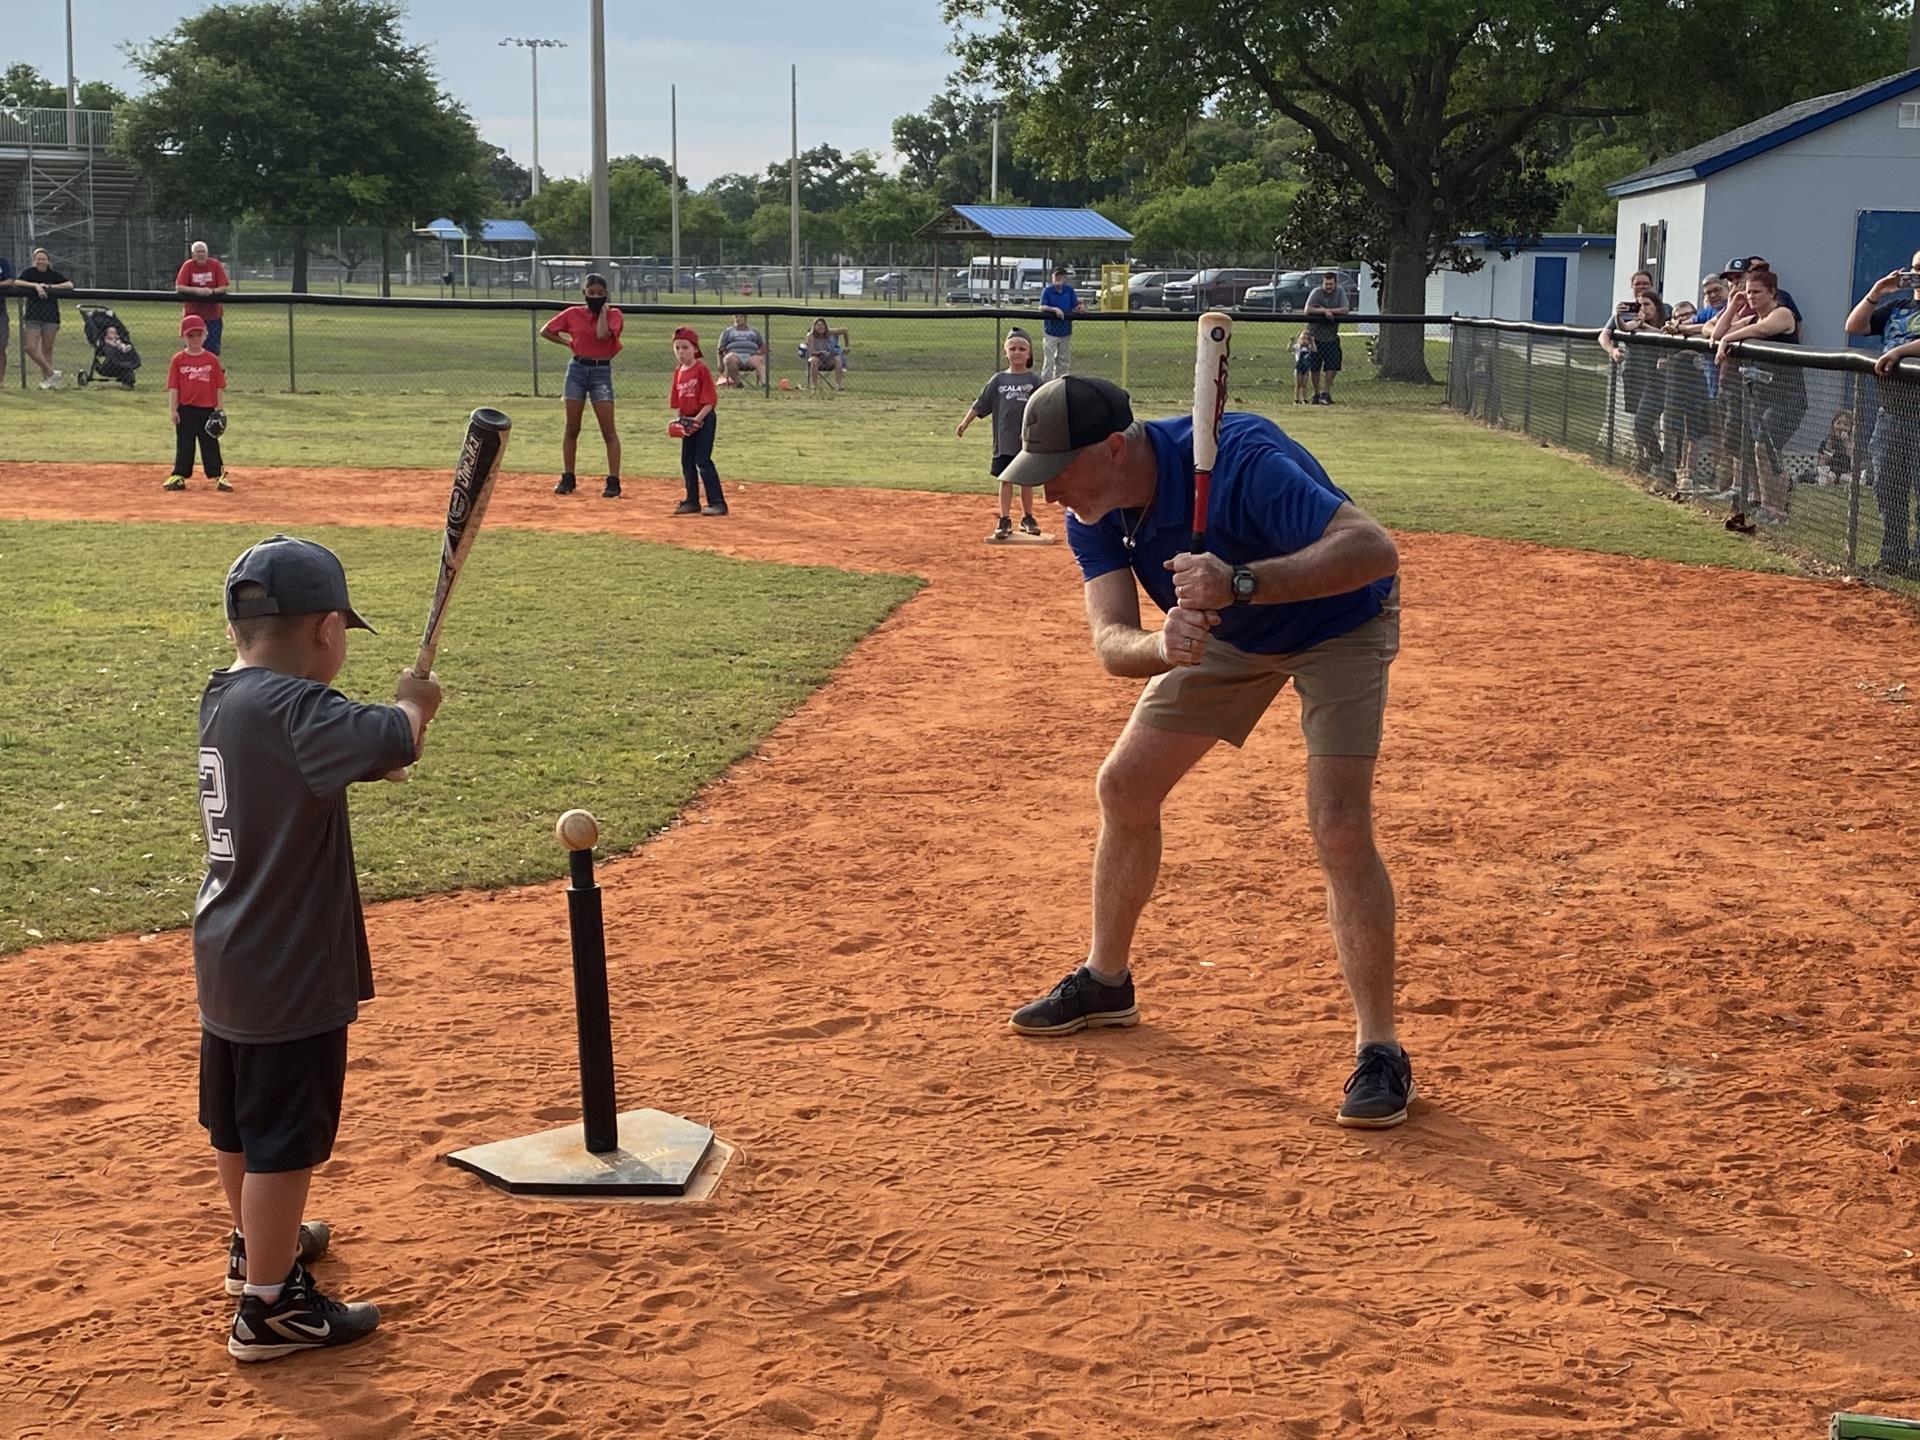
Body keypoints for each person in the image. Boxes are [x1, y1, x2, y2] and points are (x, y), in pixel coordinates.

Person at [998, 375, 1413, 1128]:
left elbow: (1374, 550)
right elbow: (1110, 640)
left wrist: (1242, 581)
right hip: (1227, 636)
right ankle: (1106, 980)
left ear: (1114, 448)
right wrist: (1162, 643)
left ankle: (1379, 1048)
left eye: (1058, 471)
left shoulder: (1239, 457)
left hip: (1339, 624)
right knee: (1124, 787)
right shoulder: (1097, 514)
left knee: (1340, 827)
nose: (1050, 494)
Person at [194, 534, 441, 1360]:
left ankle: (255, 1248)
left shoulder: (225, 696)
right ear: (328, 631)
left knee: (239, 1124)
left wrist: (373, 748)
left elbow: (318, 761)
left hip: (230, 954)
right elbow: (391, 736)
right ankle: (271, 1308)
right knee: (282, 1140)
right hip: (290, 967)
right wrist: (415, 703)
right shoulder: (301, 710)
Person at [1844, 251, 1920, 577]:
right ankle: (1894, 556)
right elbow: (1854, 325)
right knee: (1888, 487)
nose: (1918, 274)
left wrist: (1899, 351)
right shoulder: (1897, 308)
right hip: (1891, 412)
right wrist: (1877, 292)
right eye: (1916, 269)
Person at [1711, 266, 1802, 526]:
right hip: (1761, 396)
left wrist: (1728, 340)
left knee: (1766, 446)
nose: (1751, 297)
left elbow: (1762, 331)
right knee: (1758, 448)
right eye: (1748, 292)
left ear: (1772, 292)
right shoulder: (1751, 319)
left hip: (1788, 397)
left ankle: (1777, 509)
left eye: (1757, 292)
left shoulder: (1783, 313)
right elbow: (1716, 333)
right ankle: (1766, 505)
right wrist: (1733, 305)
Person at [541, 272, 623, 498]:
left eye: (600, 293)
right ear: (584, 293)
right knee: (572, 427)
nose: (595, 297)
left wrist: (603, 312)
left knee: (608, 430)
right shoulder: (574, 313)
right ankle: (568, 476)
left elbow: (602, 334)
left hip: (601, 370)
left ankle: (613, 480)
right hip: (577, 369)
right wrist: (567, 342)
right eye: (591, 293)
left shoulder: (614, 315)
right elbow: (546, 331)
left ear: (607, 295)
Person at [956, 326, 1041, 538]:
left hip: (1027, 442)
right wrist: (965, 423)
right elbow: (980, 403)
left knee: (1026, 480)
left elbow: (1044, 408)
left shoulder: (1034, 381)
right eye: (1012, 348)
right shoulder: (999, 381)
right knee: (1005, 479)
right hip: (1004, 440)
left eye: (1022, 348)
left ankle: (1027, 517)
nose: (1017, 352)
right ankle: (1004, 519)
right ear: (1006, 353)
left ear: (1029, 353)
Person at [165, 315, 230, 492]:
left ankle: (219, 475)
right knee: (185, 443)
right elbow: (173, 387)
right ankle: (179, 474)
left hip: (207, 410)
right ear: (183, 337)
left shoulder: (211, 360)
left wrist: (220, 410)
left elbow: (218, 386)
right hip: (185, 409)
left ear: (206, 334)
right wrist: (173, 410)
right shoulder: (178, 360)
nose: (194, 339)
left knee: (210, 443)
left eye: (198, 334)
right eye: (190, 335)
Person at [669, 326, 727, 516]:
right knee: (687, 461)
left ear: (695, 349)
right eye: (677, 348)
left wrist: (697, 420)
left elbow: (710, 401)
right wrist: (680, 421)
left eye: (685, 347)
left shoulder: (701, 369)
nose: (681, 352)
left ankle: (717, 503)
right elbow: (678, 400)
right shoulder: (678, 372)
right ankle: (692, 500)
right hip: (688, 421)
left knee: (702, 460)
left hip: (704, 418)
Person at [17, 246, 74, 389]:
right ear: (34, 260)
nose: (41, 262)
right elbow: (16, 282)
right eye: (38, 259)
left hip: (51, 316)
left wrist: (50, 287)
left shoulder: (53, 274)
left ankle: (49, 382)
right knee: (30, 348)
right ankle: (50, 372)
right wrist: (35, 285)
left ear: (48, 261)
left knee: (47, 349)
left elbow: (69, 284)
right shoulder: (28, 273)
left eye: (43, 259)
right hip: (33, 316)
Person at [176, 239, 233, 356]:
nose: (201, 254)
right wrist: (196, 291)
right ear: (193, 254)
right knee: (192, 347)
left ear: (207, 253)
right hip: (193, 314)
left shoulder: (215, 265)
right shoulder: (188, 266)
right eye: (198, 252)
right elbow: (179, 287)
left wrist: (211, 291)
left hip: (213, 315)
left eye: (203, 252)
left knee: (213, 349)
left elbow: (224, 287)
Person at [1302, 271, 1350, 405]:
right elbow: (1307, 309)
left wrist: (1329, 310)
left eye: (1331, 284)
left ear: (1336, 283)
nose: (1328, 286)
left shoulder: (1340, 292)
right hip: (1314, 336)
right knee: (1314, 367)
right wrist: (1324, 311)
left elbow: (1345, 310)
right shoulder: (1316, 292)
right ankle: (1316, 394)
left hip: (1331, 336)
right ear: (1322, 283)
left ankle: (1325, 392)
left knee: (1333, 365)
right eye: (1326, 284)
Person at [1039, 266, 1080, 381]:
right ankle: (1045, 384)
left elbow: (1075, 306)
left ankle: (1061, 384)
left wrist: (1080, 308)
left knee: (1064, 360)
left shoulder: (1069, 290)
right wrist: (1054, 309)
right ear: (1052, 277)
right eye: (1057, 275)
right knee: (1049, 360)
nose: (1059, 278)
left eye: (1061, 275)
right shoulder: (1047, 291)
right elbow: (1042, 306)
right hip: (1051, 331)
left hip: (1066, 330)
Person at [717, 313, 768, 389]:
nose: (738, 319)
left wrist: (761, 352)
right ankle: (739, 384)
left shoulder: (754, 331)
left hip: (751, 356)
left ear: (745, 318)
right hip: (735, 356)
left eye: (741, 316)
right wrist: (720, 363)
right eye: (736, 317)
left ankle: (765, 385)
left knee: (758, 359)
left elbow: (763, 346)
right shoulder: (727, 331)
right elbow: (720, 348)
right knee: (729, 359)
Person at [802, 317, 849, 392]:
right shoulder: (810, 336)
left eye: (822, 325)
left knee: (837, 359)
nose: (820, 327)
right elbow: (812, 352)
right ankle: (814, 385)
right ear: (814, 327)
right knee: (814, 360)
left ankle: (839, 385)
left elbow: (845, 331)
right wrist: (821, 352)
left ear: (825, 326)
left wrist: (847, 346)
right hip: (818, 360)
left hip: (829, 360)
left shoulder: (830, 332)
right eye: (818, 325)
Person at [1815, 410, 1855, 488]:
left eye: (1846, 424)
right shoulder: (1826, 442)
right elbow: (1821, 463)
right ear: (1833, 425)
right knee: (1827, 477)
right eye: (1838, 423)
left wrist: (1846, 442)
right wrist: (1828, 450)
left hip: (1845, 473)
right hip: (1829, 471)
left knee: (1848, 479)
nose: (1842, 427)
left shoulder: (1852, 443)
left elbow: (1853, 460)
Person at [1290, 329, 1316, 404]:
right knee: (1298, 384)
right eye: (1303, 339)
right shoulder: (1298, 347)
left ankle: (1304, 398)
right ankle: (1296, 399)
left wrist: (1312, 342)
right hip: (1299, 367)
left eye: (1307, 339)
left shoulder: (1309, 347)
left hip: (1306, 367)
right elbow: (1290, 349)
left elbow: (1314, 350)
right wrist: (1291, 342)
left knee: (1304, 384)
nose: (1305, 341)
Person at [0, 251, 14, 386]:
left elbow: (10, 280)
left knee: (1, 346)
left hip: (1, 312)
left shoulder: (3, 262)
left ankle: (1, 380)